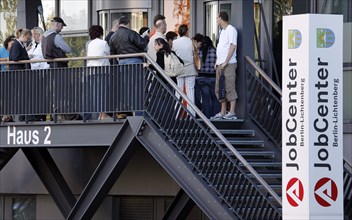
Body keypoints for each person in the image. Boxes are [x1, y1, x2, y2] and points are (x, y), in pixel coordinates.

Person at [211, 11, 238, 120]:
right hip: (219, 65)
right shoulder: (222, 31)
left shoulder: (231, 29)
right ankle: (222, 112)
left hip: (229, 64)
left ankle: (231, 112)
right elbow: (221, 48)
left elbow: (232, 46)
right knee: (219, 88)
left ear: (221, 18)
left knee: (229, 87)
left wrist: (226, 61)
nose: (216, 20)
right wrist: (217, 62)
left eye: (217, 18)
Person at [172, 24, 198, 116]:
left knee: (178, 90)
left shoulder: (175, 42)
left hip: (179, 68)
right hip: (190, 68)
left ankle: (177, 113)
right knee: (190, 91)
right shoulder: (191, 42)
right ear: (186, 31)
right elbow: (195, 54)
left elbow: (172, 55)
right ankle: (192, 115)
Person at [86, 25, 111, 120]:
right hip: (102, 71)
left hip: (91, 71)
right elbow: (108, 54)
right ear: (101, 33)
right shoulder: (103, 43)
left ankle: (98, 115)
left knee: (95, 94)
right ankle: (103, 114)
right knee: (103, 93)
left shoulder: (89, 43)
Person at [196, 36, 220, 118]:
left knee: (206, 99)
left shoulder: (199, 52)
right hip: (213, 77)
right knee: (215, 98)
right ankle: (216, 115)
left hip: (202, 78)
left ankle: (207, 117)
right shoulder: (215, 51)